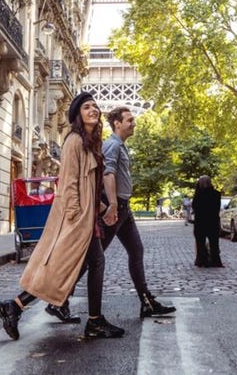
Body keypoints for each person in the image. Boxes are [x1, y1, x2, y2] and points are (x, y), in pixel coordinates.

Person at [0, 92, 124, 340]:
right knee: (72, 266)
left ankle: (17, 306)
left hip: (86, 217)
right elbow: (69, 183)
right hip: (76, 218)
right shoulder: (74, 141)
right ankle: (92, 321)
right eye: (87, 107)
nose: (93, 110)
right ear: (77, 114)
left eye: (95, 107)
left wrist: (101, 209)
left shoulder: (89, 143)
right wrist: (77, 217)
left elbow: (89, 187)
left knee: (79, 266)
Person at [99, 106, 176, 317]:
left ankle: (146, 301)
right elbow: (108, 174)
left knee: (136, 250)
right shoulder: (112, 145)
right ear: (117, 123)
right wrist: (112, 204)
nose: (134, 123)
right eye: (130, 120)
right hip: (116, 208)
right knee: (95, 257)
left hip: (124, 208)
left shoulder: (121, 146)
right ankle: (60, 300)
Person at [192, 175, 223, 268]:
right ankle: (215, 260)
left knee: (200, 243)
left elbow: (195, 207)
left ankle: (201, 260)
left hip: (200, 222)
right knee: (214, 243)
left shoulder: (198, 195)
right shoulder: (216, 194)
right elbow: (217, 208)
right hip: (212, 222)